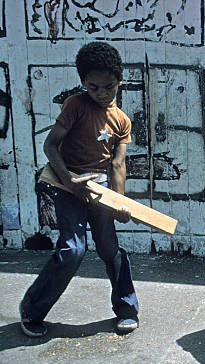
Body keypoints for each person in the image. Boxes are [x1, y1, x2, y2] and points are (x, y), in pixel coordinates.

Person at [20, 41, 139, 337]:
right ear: (83, 82)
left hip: (99, 188)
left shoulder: (122, 121)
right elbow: (50, 145)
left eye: (108, 87)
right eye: (93, 86)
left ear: (120, 81)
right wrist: (70, 180)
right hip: (67, 182)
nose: (100, 93)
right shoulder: (75, 105)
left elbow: (117, 165)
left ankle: (127, 308)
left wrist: (119, 203)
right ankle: (31, 309)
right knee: (73, 249)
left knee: (110, 248)